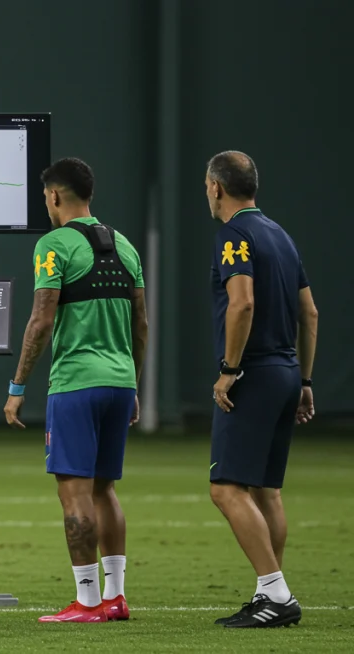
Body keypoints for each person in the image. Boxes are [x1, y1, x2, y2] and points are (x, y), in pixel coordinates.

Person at [3, 157, 146, 623]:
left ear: (55, 196)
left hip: (76, 385)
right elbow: (140, 324)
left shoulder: (54, 245)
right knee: (105, 490)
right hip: (120, 382)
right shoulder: (125, 246)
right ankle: (116, 596)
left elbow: (41, 319)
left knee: (74, 493)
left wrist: (17, 385)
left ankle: (86, 601)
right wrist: (134, 383)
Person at [204, 151, 316, 629]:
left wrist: (230, 368)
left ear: (216, 188)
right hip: (287, 372)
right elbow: (309, 314)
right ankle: (268, 592)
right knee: (265, 489)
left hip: (253, 374)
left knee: (226, 489)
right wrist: (306, 380)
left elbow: (242, 302)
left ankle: (276, 593)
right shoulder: (281, 235)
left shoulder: (235, 234)